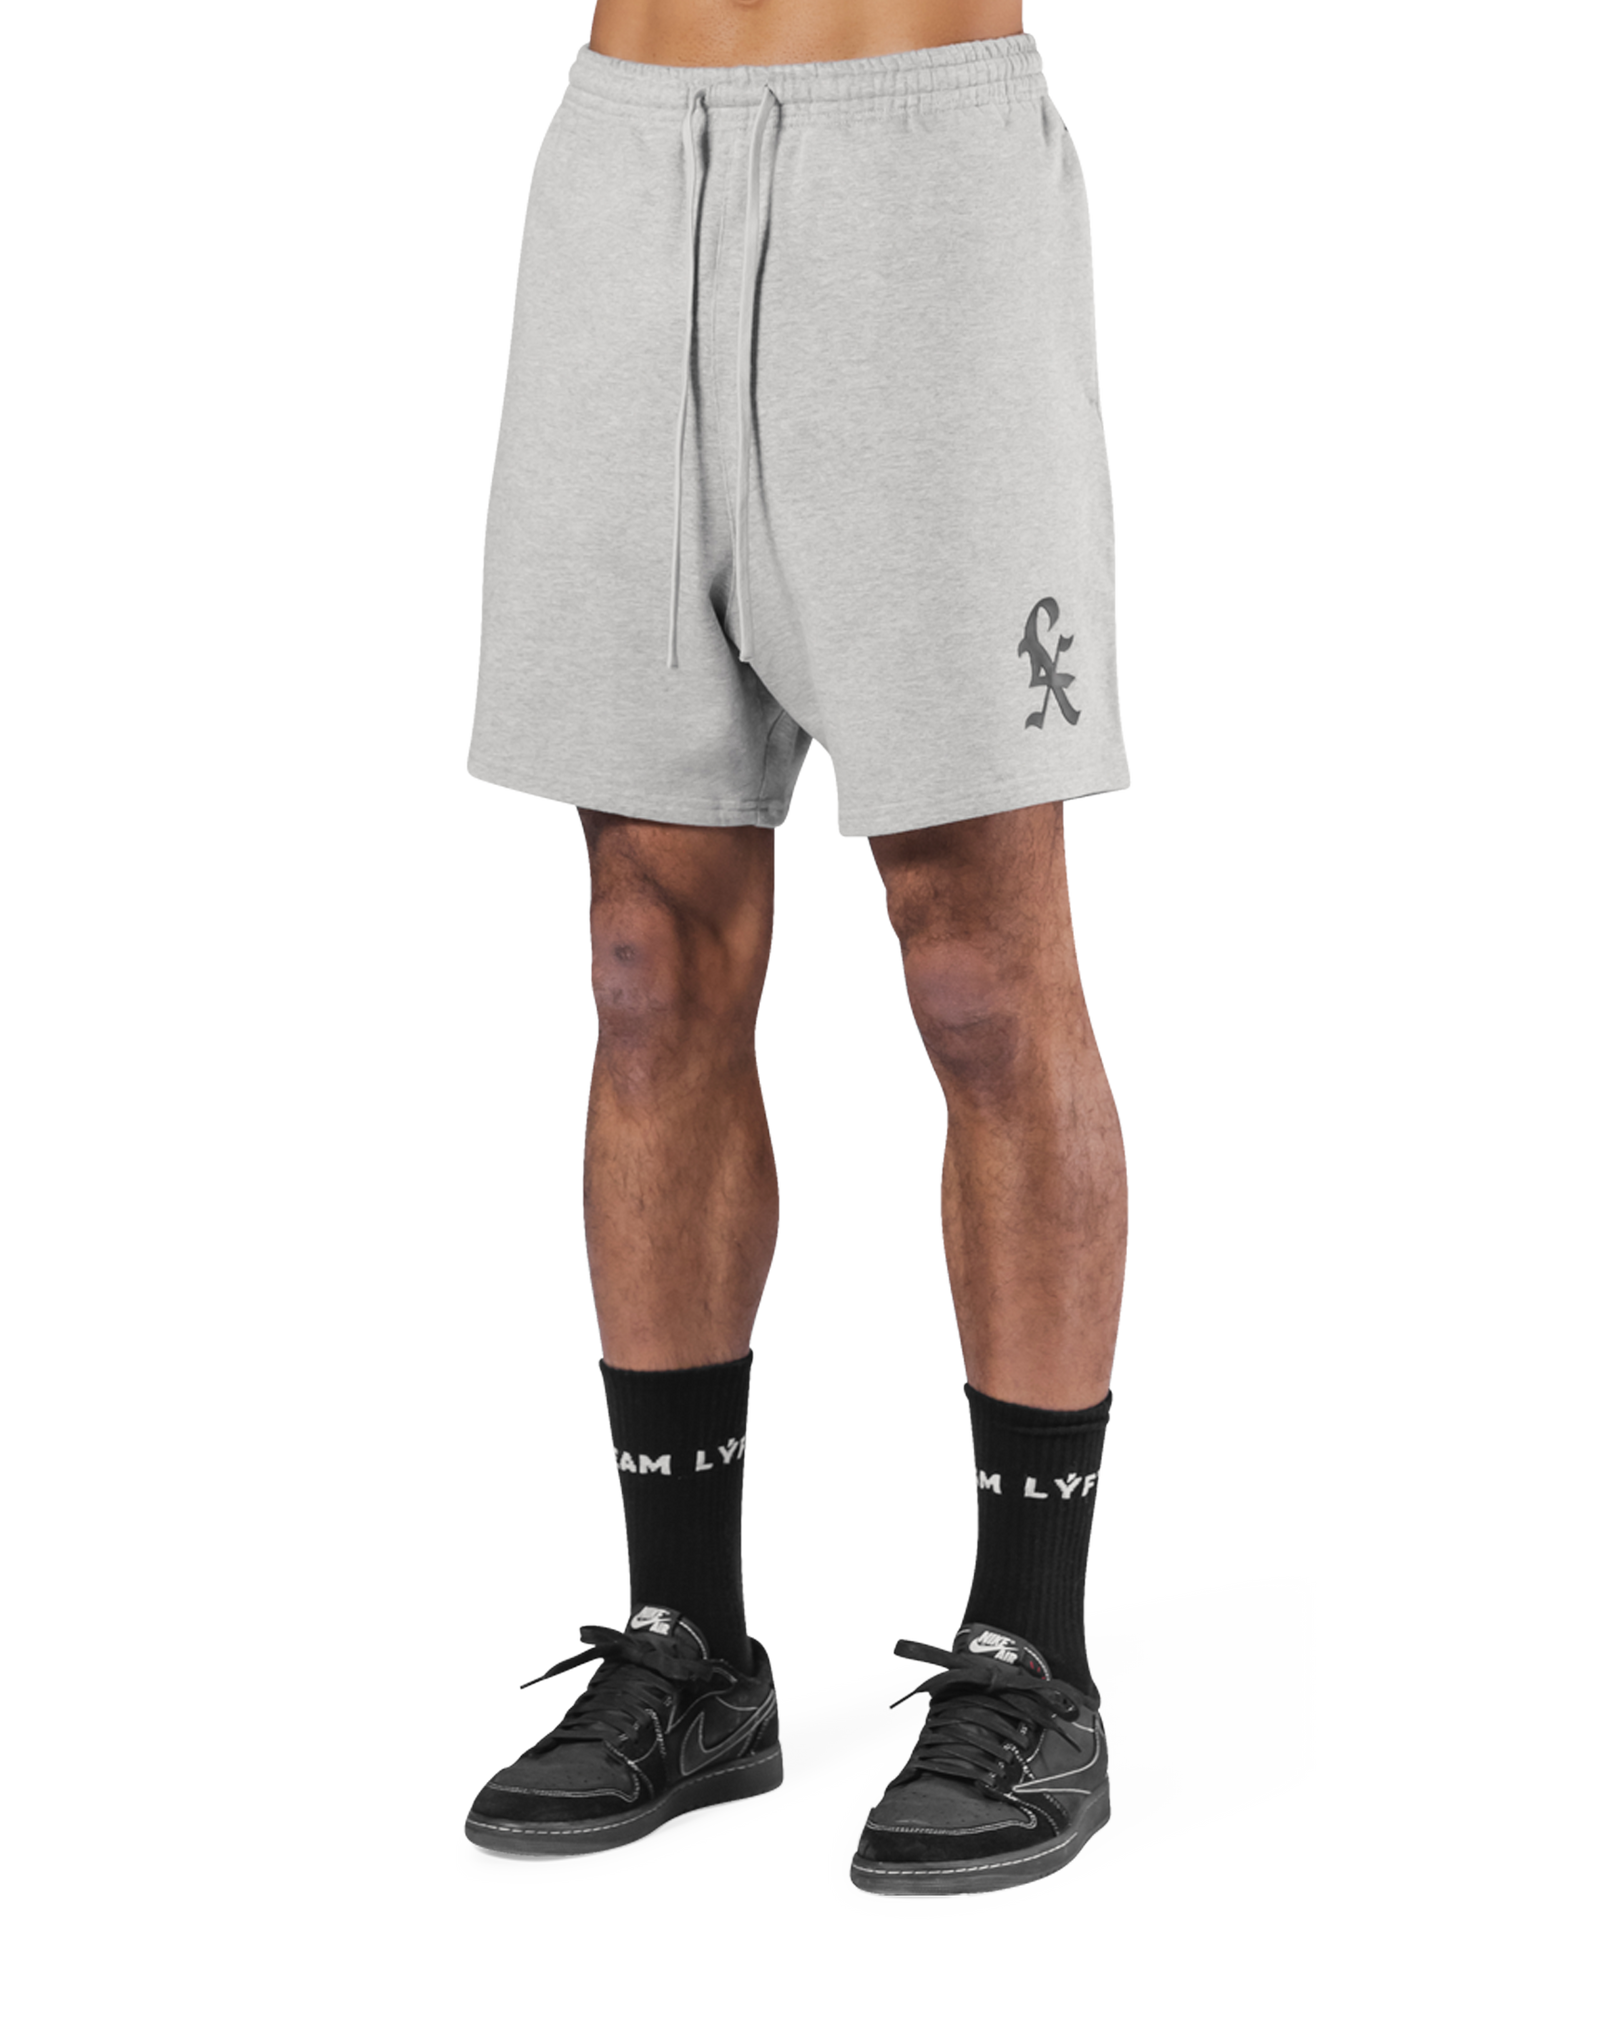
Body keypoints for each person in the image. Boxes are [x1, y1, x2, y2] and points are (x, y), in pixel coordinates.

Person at [459, 0, 1133, 1899]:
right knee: (642, 957)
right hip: (622, 165)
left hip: (923, 173)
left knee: (979, 966)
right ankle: (689, 1651)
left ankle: (1034, 1651)